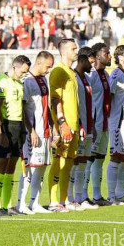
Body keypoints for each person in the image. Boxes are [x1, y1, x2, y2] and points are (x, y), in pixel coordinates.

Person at [0, 55, 30, 216]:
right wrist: (0, 128)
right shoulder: (1, 82)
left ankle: (7, 206)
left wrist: (27, 128)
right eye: (23, 71)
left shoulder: (20, 84)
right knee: (1, 166)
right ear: (15, 67)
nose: (24, 75)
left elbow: (22, 109)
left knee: (11, 168)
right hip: (6, 126)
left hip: (18, 127)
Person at [20, 51, 55, 215]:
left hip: (45, 131)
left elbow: (47, 107)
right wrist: (31, 130)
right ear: (39, 62)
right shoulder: (27, 80)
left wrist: (53, 126)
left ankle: (34, 202)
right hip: (33, 132)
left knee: (41, 168)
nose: (49, 70)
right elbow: (23, 107)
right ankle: (21, 204)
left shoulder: (43, 80)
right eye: (48, 67)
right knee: (29, 167)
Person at [47, 39, 80, 212]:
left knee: (68, 164)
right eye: (73, 48)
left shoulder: (71, 72)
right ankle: (53, 202)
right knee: (58, 162)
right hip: (64, 126)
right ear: (64, 51)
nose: (77, 51)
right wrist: (61, 123)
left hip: (74, 125)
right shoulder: (59, 71)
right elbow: (54, 99)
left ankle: (64, 199)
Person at [107, 45, 124, 205]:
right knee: (116, 157)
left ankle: (120, 193)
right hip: (119, 123)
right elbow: (109, 97)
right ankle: (111, 195)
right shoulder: (116, 75)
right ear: (120, 57)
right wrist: (113, 120)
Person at [72, 46, 98, 210]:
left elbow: (90, 104)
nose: (92, 66)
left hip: (89, 125)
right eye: (91, 62)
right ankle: (70, 198)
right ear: (82, 60)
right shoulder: (73, 78)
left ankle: (81, 197)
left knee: (83, 163)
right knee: (74, 163)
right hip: (78, 126)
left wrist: (93, 125)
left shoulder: (87, 79)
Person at [87, 43, 112, 206]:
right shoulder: (92, 74)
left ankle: (97, 195)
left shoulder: (106, 75)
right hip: (94, 124)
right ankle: (81, 195)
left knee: (100, 159)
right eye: (106, 53)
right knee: (88, 160)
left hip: (105, 123)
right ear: (97, 56)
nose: (109, 55)